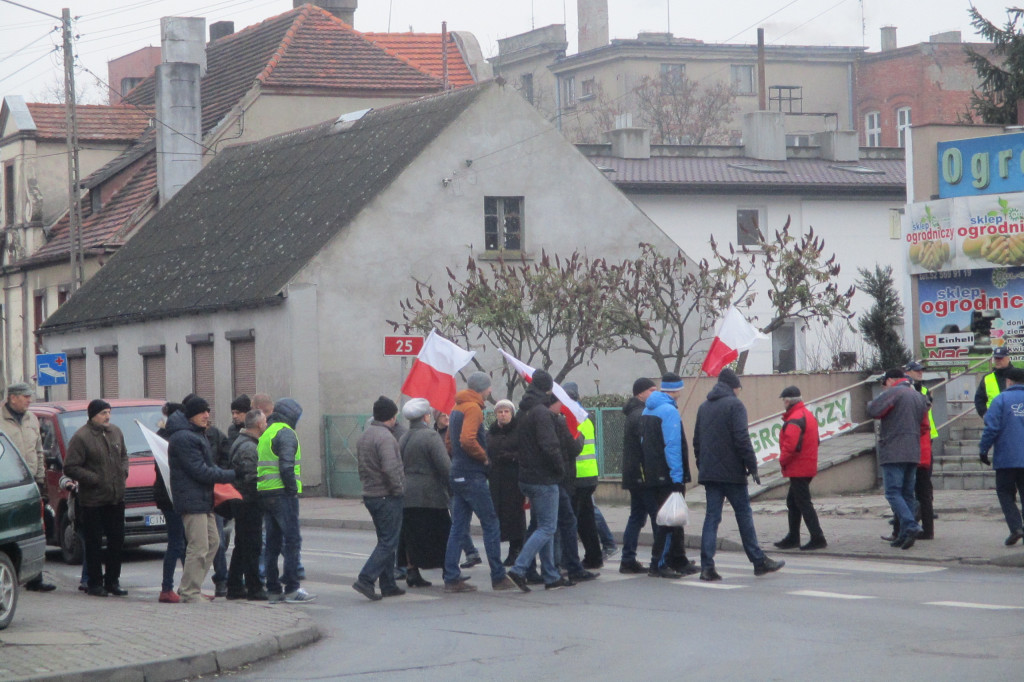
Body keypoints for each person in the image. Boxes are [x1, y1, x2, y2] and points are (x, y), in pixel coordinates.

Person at [694, 369, 784, 581]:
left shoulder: (703, 407)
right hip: (732, 474)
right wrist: (752, 466)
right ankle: (758, 561)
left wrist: (703, 464)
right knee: (744, 515)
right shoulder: (735, 405)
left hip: (710, 474)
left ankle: (707, 567)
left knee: (711, 518)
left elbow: (697, 441)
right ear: (734, 387)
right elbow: (742, 438)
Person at [442, 372, 519, 593]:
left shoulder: (457, 408)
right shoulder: (473, 408)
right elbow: (467, 439)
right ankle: (498, 575)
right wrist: (483, 457)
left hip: (457, 471)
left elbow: (450, 441)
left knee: (458, 527)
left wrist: (456, 457)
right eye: (488, 388)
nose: (490, 391)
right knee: (491, 523)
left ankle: (451, 577)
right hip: (472, 474)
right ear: (482, 389)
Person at [167, 396, 237, 603]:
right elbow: (200, 471)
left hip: (203, 499)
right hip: (192, 500)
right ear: (190, 416)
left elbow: (209, 466)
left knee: (213, 543)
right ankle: (190, 592)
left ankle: (190, 586)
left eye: (208, 411)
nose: (207, 415)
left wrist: (227, 474)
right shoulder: (183, 438)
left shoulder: (196, 435)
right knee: (198, 547)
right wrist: (232, 475)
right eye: (202, 412)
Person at [63, 399, 130, 597]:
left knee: (117, 540)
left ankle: (112, 581)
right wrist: (94, 479)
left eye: (108, 412)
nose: (107, 416)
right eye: (103, 413)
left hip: (116, 497)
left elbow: (124, 456)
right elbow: (70, 467)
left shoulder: (115, 432)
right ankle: (94, 583)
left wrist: (124, 471)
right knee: (93, 543)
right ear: (93, 415)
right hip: (93, 500)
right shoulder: (81, 437)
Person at [506, 370, 565, 592]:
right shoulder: (542, 412)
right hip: (543, 477)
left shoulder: (523, 411)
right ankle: (518, 569)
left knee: (542, 526)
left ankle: (550, 575)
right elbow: (550, 445)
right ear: (548, 388)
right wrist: (560, 469)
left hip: (526, 475)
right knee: (548, 527)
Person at [640, 373, 697, 578]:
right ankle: (659, 564)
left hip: (653, 473)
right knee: (668, 521)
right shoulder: (669, 411)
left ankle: (678, 560)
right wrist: (677, 476)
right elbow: (672, 446)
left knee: (670, 519)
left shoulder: (648, 408)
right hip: (668, 474)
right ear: (678, 389)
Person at [0, 382, 55, 592]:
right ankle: (12, 573)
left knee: (34, 527)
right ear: (12, 398)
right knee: (12, 530)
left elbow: (39, 450)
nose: (29, 401)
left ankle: (35, 576)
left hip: (31, 480)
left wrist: (41, 476)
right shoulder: (1, 420)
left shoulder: (32, 419)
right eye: (25, 397)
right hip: (9, 482)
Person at [258, 398, 315, 603]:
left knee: (272, 544)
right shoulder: (287, 433)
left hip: (265, 493)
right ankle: (292, 588)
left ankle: (273, 588)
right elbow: (286, 466)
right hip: (282, 494)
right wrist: (292, 491)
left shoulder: (268, 432)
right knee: (292, 541)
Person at [867, 368, 930, 550]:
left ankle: (910, 526)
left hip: (894, 450)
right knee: (908, 494)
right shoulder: (918, 396)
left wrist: (881, 396)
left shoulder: (894, 392)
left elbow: (873, 410)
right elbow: (924, 426)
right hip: (913, 451)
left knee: (893, 492)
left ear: (892, 380)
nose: (884, 385)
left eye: (885, 382)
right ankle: (903, 535)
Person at [353, 396, 407, 601]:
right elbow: (390, 467)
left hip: (370, 493)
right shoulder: (385, 437)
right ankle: (366, 579)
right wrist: (398, 489)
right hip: (386, 495)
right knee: (389, 541)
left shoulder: (366, 435)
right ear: (392, 417)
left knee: (385, 539)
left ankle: (388, 584)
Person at [398, 398, 451, 588]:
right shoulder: (430, 436)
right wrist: (452, 485)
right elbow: (444, 466)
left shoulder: (403, 437)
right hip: (430, 494)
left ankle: (412, 571)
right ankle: (449, 571)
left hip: (407, 492)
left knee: (412, 535)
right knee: (442, 532)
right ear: (426, 417)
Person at [773, 386, 826, 551]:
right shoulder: (807, 415)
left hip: (798, 467)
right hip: (806, 464)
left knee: (802, 502)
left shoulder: (795, 418)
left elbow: (790, 447)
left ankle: (817, 538)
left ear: (788, 401)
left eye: (784, 400)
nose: (783, 403)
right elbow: (816, 440)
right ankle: (793, 537)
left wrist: (782, 461)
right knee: (794, 501)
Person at [978, 366, 1024, 546]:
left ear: (1009, 381)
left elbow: (991, 428)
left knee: (1005, 493)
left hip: (1006, 458)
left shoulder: (1000, 400)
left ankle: (1016, 527)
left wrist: (983, 450)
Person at [226, 408, 268, 600]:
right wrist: (260, 498)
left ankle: (234, 586)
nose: (266, 425)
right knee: (252, 545)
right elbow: (251, 479)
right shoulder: (249, 447)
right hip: (248, 502)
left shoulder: (242, 442)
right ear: (259, 425)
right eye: (265, 422)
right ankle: (254, 588)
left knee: (242, 544)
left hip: (240, 499)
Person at [619, 377, 657, 573]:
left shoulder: (634, 413)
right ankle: (658, 560)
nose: (654, 393)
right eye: (651, 390)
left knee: (636, 517)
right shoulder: (641, 415)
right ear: (640, 393)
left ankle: (628, 559)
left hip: (635, 475)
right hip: (643, 475)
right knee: (654, 516)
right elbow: (648, 447)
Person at [563, 382, 602, 569]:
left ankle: (570, 560)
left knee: (572, 520)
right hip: (590, 474)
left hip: (576, 476)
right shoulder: (585, 416)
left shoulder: (571, 418)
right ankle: (594, 557)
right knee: (586, 519)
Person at [487, 399, 526, 566]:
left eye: (506, 411)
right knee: (498, 515)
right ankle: (497, 553)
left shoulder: (519, 431)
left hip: (514, 479)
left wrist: (511, 456)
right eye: (500, 412)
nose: (503, 414)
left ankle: (516, 550)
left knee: (515, 515)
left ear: (512, 413)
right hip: (496, 480)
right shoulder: (491, 432)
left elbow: (525, 452)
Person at [155, 402, 186, 603]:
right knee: (176, 542)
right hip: (171, 496)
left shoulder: (163, 435)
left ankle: (190, 585)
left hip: (172, 495)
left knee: (183, 542)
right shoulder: (169, 438)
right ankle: (167, 587)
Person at [905, 360, 936, 540]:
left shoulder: (922, 391)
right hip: (921, 441)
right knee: (921, 489)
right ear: (907, 372)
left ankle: (916, 524)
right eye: (916, 371)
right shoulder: (917, 391)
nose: (920, 373)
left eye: (921, 371)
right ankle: (917, 522)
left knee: (920, 488)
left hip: (922, 441)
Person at [975, 347, 1013, 417]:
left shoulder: (1018, 375)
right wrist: (985, 416)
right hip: (994, 420)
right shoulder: (987, 378)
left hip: (1014, 419)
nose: (997, 361)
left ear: (1008, 358)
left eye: (1000, 358)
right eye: (996, 358)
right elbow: (979, 399)